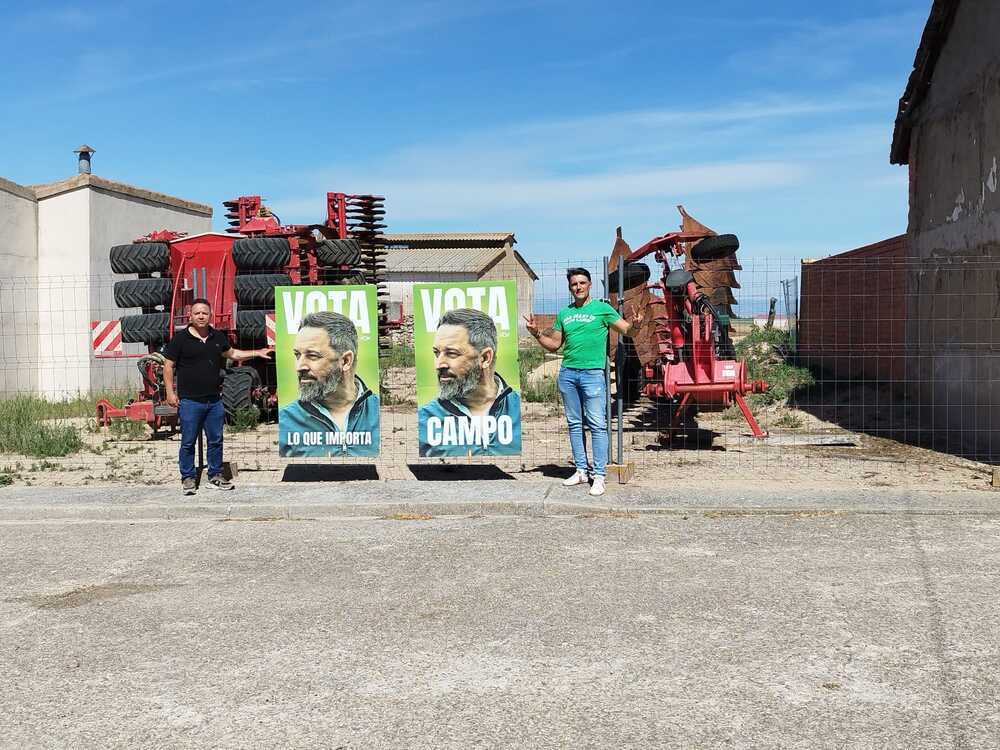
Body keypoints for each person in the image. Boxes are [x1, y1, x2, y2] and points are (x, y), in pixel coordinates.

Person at [523, 268, 640, 496]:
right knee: (575, 424)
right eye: (574, 284)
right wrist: (536, 333)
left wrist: (636, 324)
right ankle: (580, 470)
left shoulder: (602, 310)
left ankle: (599, 476)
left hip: (593, 374)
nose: (578, 287)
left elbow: (628, 331)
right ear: (570, 287)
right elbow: (555, 344)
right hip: (568, 374)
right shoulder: (564, 313)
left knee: (597, 424)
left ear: (589, 286)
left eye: (582, 283)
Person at [163, 298, 272, 495]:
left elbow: (233, 354)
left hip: (214, 401)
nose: (201, 316)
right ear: (190, 316)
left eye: (204, 313)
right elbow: (168, 366)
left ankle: (215, 475)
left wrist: (258, 352)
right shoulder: (180, 339)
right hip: (190, 401)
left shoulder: (217, 336)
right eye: (197, 313)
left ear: (210, 315)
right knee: (188, 441)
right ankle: (187, 477)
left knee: (216, 440)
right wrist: (170, 392)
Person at [418, 307, 521, 457]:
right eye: (436, 353)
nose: (439, 364)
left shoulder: (518, 409)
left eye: (451, 353)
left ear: (485, 358)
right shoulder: (425, 419)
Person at [279, 311, 380, 457]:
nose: (299, 366)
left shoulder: (378, 413)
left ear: (345, 361)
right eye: (297, 355)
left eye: (312, 356)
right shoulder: (286, 420)